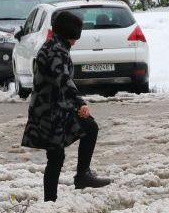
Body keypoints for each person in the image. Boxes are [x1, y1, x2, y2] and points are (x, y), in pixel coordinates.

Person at [21, 11, 111, 202]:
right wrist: (80, 102)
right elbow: (63, 79)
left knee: (59, 154)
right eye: (76, 35)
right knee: (79, 136)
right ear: (70, 33)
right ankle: (77, 179)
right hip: (50, 112)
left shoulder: (54, 46)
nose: (76, 41)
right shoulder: (57, 51)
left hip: (52, 108)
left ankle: (58, 194)